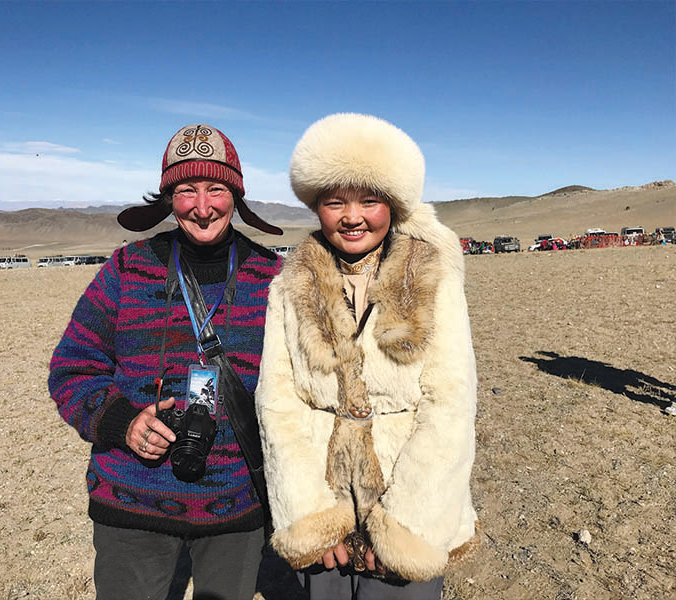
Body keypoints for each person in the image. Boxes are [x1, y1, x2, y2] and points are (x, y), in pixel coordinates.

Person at [49, 123, 283, 600]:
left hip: (237, 507)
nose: (202, 207)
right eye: (185, 191)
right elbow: (73, 366)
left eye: (216, 189)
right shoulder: (127, 268)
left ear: (236, 195)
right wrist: (121, 422)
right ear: (168, 199)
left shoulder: (273, 278)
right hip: (132, 503)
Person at [255, 113, 480, 600]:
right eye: (334, 202)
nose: (351, 216)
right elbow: (277, 401)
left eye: (370, 200)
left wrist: (405, 525)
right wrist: (311, 516)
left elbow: (450, 403)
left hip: (407, 504)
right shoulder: (290, 285)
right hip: (323, 508)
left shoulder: (431, 278)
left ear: (394, 206)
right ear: (317, 207)